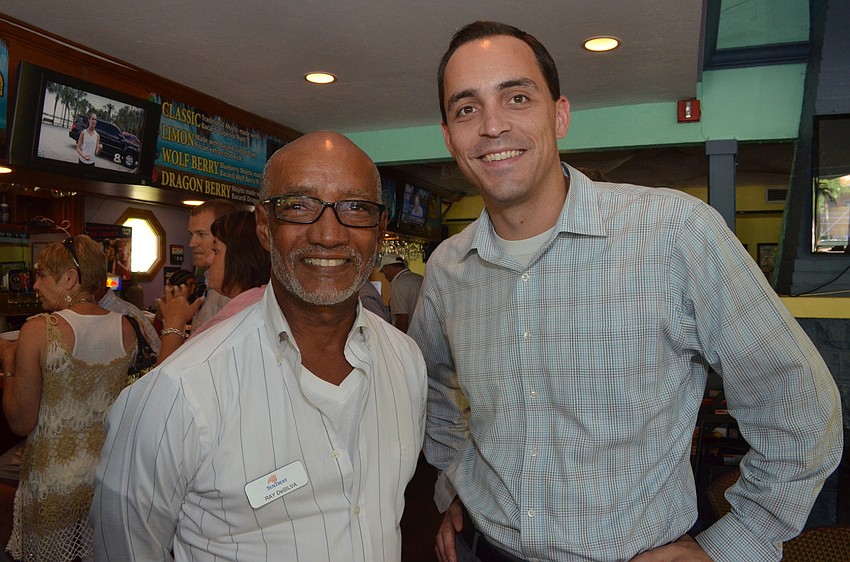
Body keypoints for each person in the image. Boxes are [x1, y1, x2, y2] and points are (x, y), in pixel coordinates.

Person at [409, 20, 844, 562]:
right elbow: (432, 386)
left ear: (559, 114)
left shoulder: (673, 232)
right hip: (485, 549)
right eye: (466, 108)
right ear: (449, 136)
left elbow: (798, 402)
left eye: (517, 97)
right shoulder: (449, 267)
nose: (492, 126)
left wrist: (738, 541)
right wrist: (456, 485)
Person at [91, 131, 427, 562]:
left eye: (355, 208)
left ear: (379, 232)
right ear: (265, 228)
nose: (328, 234)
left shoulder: (406, 362)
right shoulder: (176, 394)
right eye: (300, 206)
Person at [1, 235, 137, 561]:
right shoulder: (127, 327)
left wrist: (9, 367)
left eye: (42, 275)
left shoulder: (40, 329)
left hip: (53, 482)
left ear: (70, 278)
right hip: (107, 476)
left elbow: (20, 421)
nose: (35, 285)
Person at [155, 209, 271, 363]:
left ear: (241, 257)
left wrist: (174, 324)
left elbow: (166, 381)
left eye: (216, 251)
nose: (210, 259)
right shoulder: (258, 304)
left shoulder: (239, 320)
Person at [187, 198, 239, 332]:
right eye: (191, 234)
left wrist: (174, 324)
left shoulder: (232, 290)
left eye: (201, 234)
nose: (192, 243)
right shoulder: (210, 284)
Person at [379, 254, 423, 333]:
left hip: (410, 337)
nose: (385, 276)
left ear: (387, 268)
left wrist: (399, 342)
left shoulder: (398, 284)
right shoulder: (420, 278)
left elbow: (402, 319)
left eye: (383, 271)